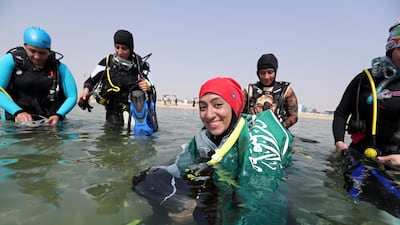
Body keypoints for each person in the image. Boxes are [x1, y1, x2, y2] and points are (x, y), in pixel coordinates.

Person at [132, 77, 293, 225]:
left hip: (238, 181)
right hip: (214, 174)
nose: (209, 115)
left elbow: (262, 200)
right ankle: (165, 215)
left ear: (233, 107)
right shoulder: (204, 137)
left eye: (218, 105)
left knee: (205, 216)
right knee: (147, 181)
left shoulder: (254, 146)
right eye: (203, 107)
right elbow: (181, 164)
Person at [332, 21, 400, 218]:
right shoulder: (364, 79)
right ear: (391, 48)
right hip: (358, 158)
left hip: (395, 165)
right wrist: (339, 144)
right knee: (351, 208)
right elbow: (340, 113)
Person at [77, 30, 158, 134]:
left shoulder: (140, 64)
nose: (120, 52)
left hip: (135, 112)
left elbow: (151, 82)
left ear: (131, 48)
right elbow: (91, 80)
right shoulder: (107, 62)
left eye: (124, 48)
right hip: (113, 111)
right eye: (117, 47)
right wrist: (86, 90)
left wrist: (148, 85)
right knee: (111, 139)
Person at [0, 26, 77, 125]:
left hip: (49, 123)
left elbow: (72, 96)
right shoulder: (10, 60)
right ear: (25, 46)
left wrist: (59, 115)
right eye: (32, 51)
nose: (37, 56)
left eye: (42, 53)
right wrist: (18, 112)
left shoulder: (59, 67)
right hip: (14, 122)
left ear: (49, 51)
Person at [243, 53, 298, 128]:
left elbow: (293, 117)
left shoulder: (286, 91)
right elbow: (238, 114)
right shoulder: (248, 90)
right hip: (252, 131)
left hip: (278, 132)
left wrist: (279, 128)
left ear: (275, 72)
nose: (266, 77)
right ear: (258, 74)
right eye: (263, 73)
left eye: (270, 72)